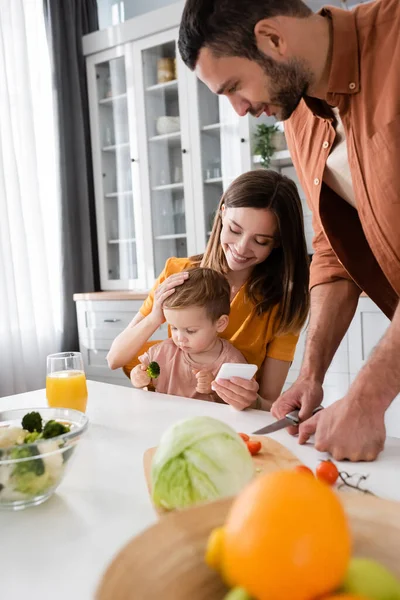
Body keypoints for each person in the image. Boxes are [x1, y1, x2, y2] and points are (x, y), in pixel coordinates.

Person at [178, 0, 400, 460]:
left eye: (234, 87)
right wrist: (310, 374)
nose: (239, 110)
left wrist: (366, 398)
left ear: (273, 39)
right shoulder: (296, 115)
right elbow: (335, 251)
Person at [107, 169, 310, 410]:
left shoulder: (283, 303)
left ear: (277, 243)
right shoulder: (178, 273)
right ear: (222, 214)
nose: (241, 248)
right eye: (235, 230)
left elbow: (269, 401)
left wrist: (251, 400)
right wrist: (155, 317)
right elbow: (115, 358)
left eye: (261, 240)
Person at [130, 267, 249, 401]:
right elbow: (142, 376)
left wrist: (214, 389)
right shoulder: (162, 351)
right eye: (174, 328)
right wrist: (138, 377)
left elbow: (241, 406)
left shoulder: (232, 363)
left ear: (220, 323)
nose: (179, 339)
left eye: (190, 330)